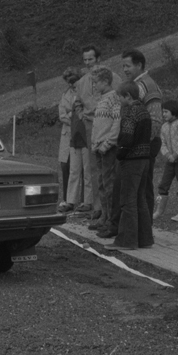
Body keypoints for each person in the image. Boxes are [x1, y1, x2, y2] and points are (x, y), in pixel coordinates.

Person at [106, 81, 153, 251]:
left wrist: (119, 154)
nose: (119, 100)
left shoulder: (130, 112)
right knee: (140, 199)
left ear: (127, 96)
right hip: (144, 159)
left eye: (120, 96)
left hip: (131, 160)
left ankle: (127, 240)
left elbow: (126, 138)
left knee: (127, 201)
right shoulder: (144, 111)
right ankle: (145, 239)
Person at [76, 45, 121, 222]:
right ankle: (98, 207)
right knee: (93, 168)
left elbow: (120, 99)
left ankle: (111, 210)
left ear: (98, 59)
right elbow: (77, 103)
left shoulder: (113, 77)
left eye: (91, 59)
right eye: (85, 60)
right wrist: (82, 115)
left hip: (108, 125)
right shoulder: (81, 82)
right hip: (91, 125)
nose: (88, 63)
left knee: (109, 168)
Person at [121, 49, 162, 220]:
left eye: (127, 65)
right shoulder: (137, 83)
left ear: (139, 65)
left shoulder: (147, 85)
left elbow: (156, 119)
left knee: (144, 186)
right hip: (136, 143)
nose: (124, 70)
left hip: (145, 144)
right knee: (137, 187)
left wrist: (142, 145)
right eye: (123, 66)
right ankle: (139, 225)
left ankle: (145, 227)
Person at [87, 66, 120, 237]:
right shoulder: (101, 100)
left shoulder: (114, 99)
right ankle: (104, 215)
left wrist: (108, 142)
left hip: (108, 148)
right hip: (98, 147)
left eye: (96, 83)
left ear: (106, 82)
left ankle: (111, 220)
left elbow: (116, 122)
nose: (94, 86)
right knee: (101, 182)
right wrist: (94, 143)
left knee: (109, 184)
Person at [154, 99, 178, 222]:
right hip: (170, 161)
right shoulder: (164, 126)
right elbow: (162, 143)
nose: (163, 114)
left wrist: (175, 155)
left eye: (166, 112)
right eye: (162, 112)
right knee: (163, 185)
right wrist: (167, 155)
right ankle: (159, 210)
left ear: (173, 112)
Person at [57, 67, 83, 213]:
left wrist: (71, 115)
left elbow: (79, 113)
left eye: (74, 82)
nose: (71, 85)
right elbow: (62, 114)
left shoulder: (82, 92)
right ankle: (67, 198)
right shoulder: (65, 94)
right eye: (69, 82)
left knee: (80, 167)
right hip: (67, 134)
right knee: (65, 166)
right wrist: (71, 116)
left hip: (79, 133)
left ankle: (82, 200)